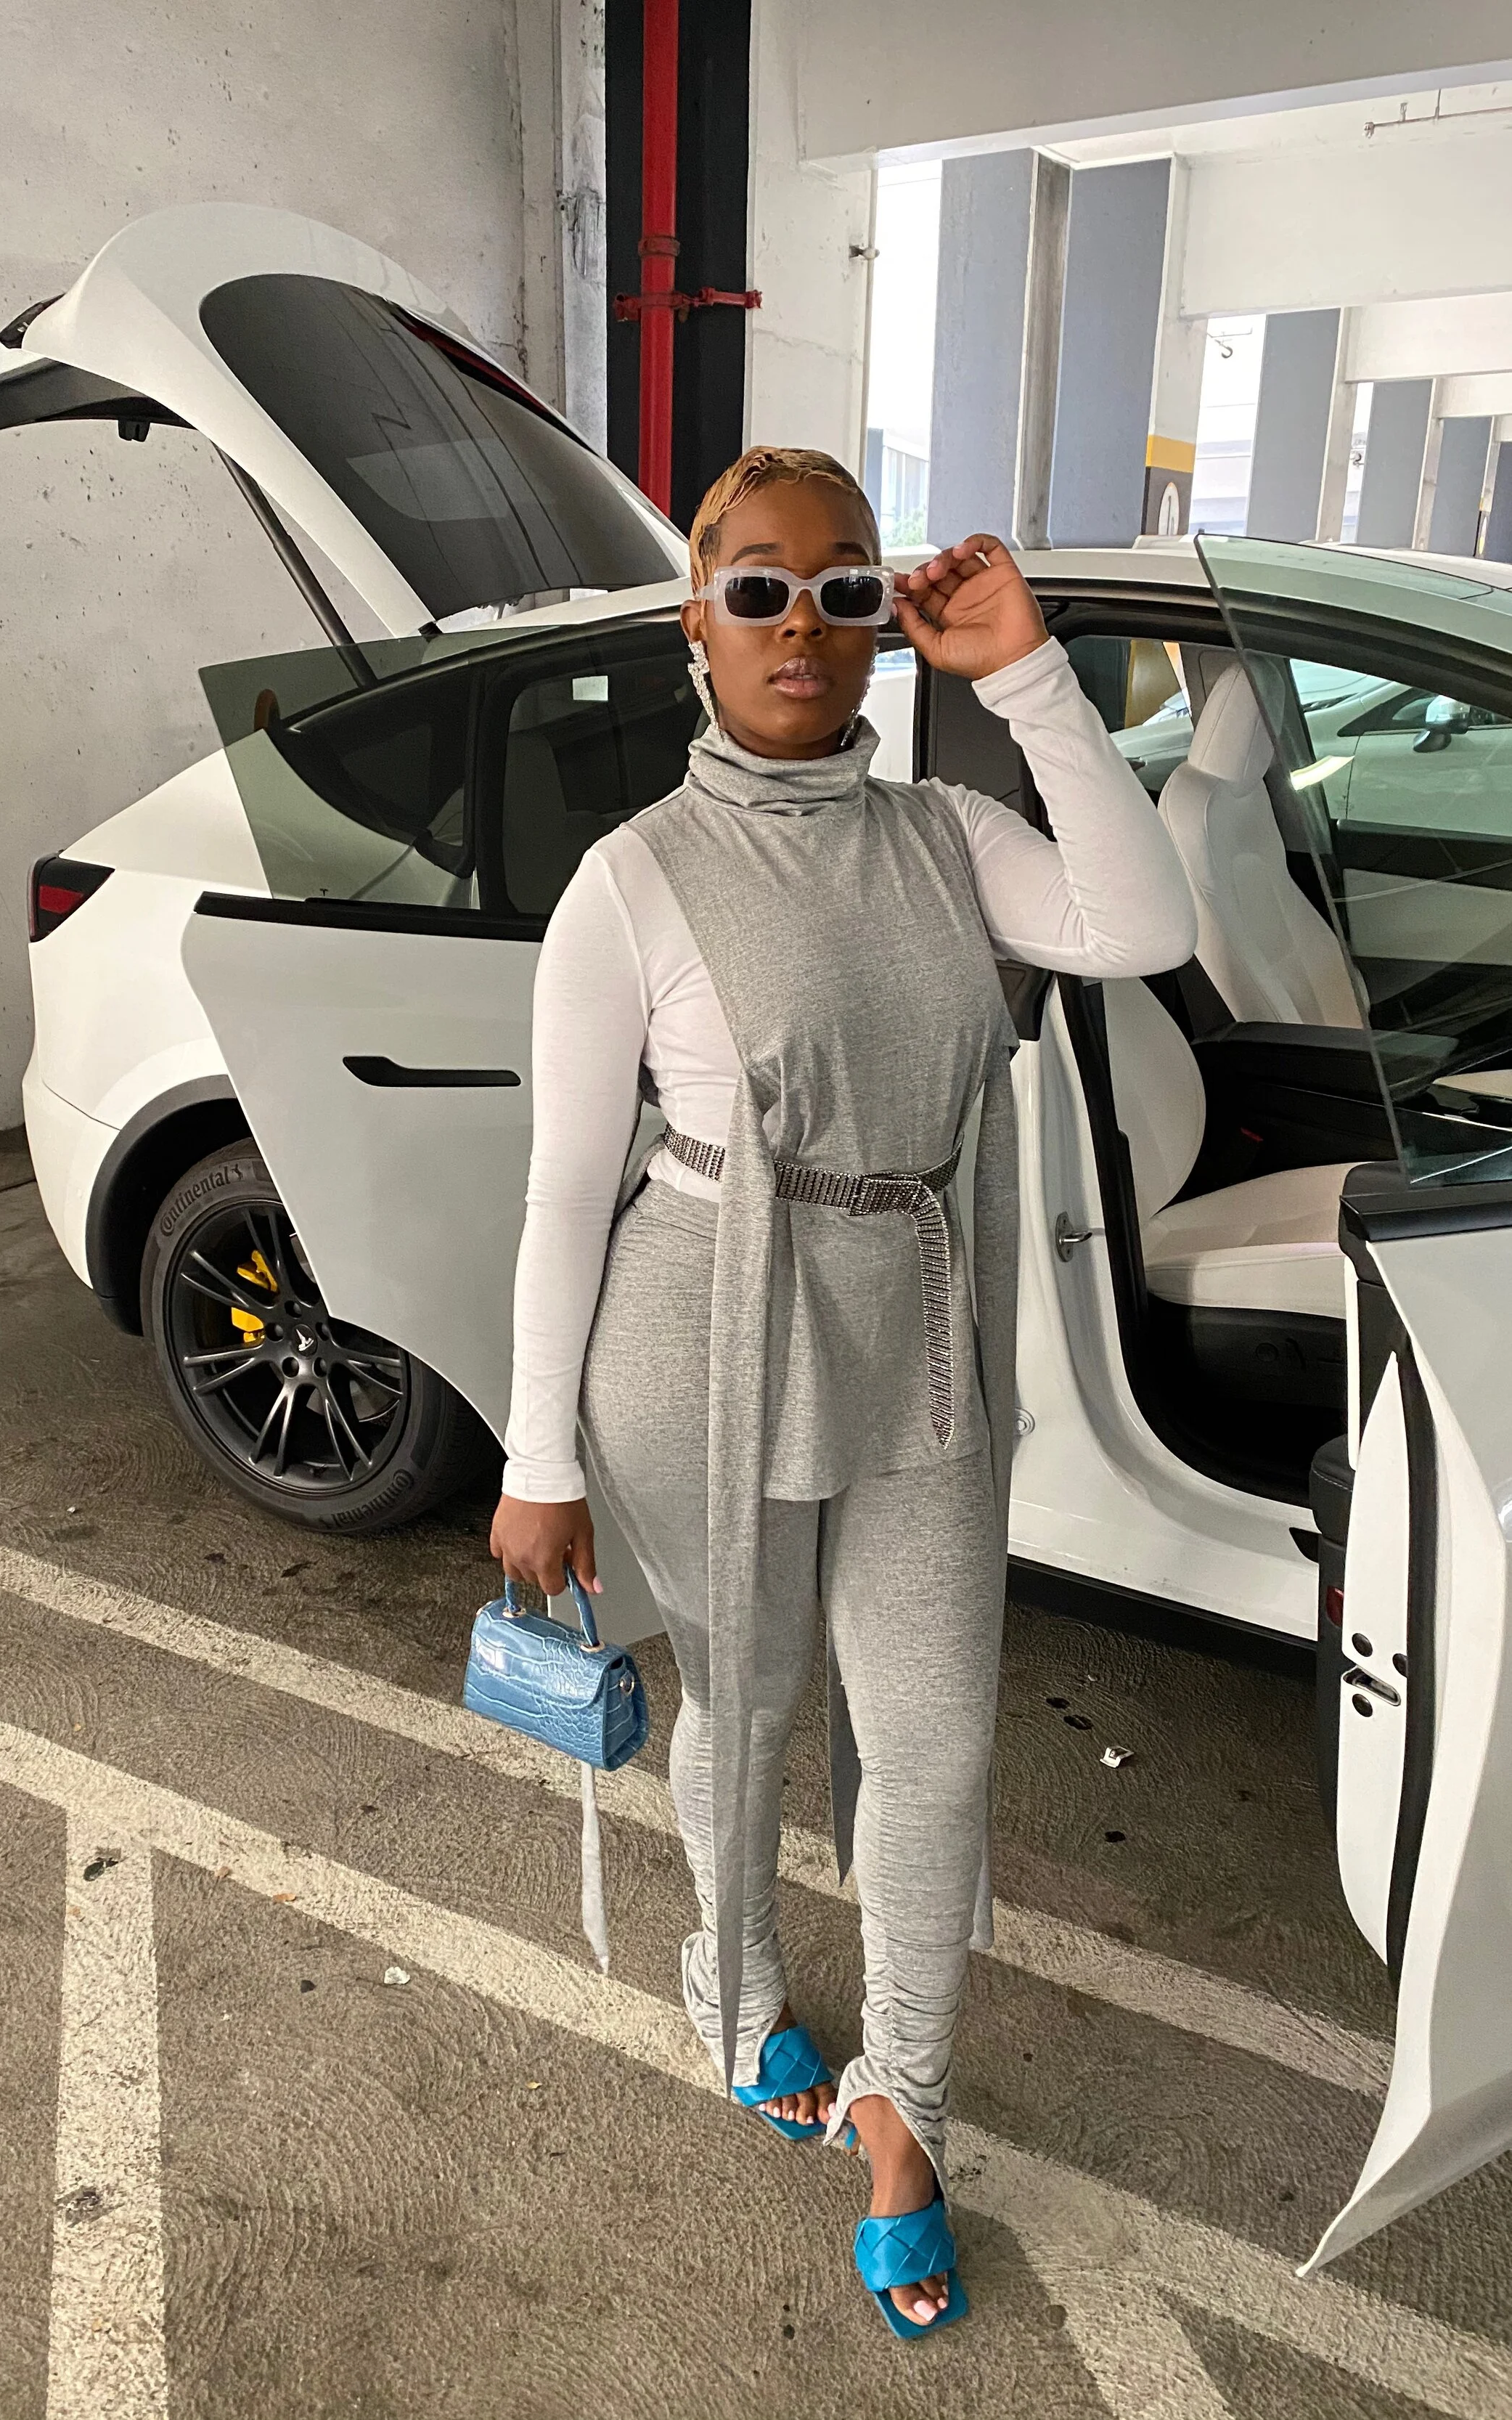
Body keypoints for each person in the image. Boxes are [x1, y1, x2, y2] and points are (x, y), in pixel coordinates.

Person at [489, 446, 1196, 2340]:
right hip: (694, 1341)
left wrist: (1026, 674)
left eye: (844, 587)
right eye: (759, 588)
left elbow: (1141, 928)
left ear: (887, 620)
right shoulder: (626, 882)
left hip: (913, 1347)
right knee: (750, 1696)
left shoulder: (943, 844)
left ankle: (902, 2099)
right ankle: (731, 1988)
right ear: (693, 622)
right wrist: (533, 1454)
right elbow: (567, 1189)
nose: (802, 622)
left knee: (935, 1742)